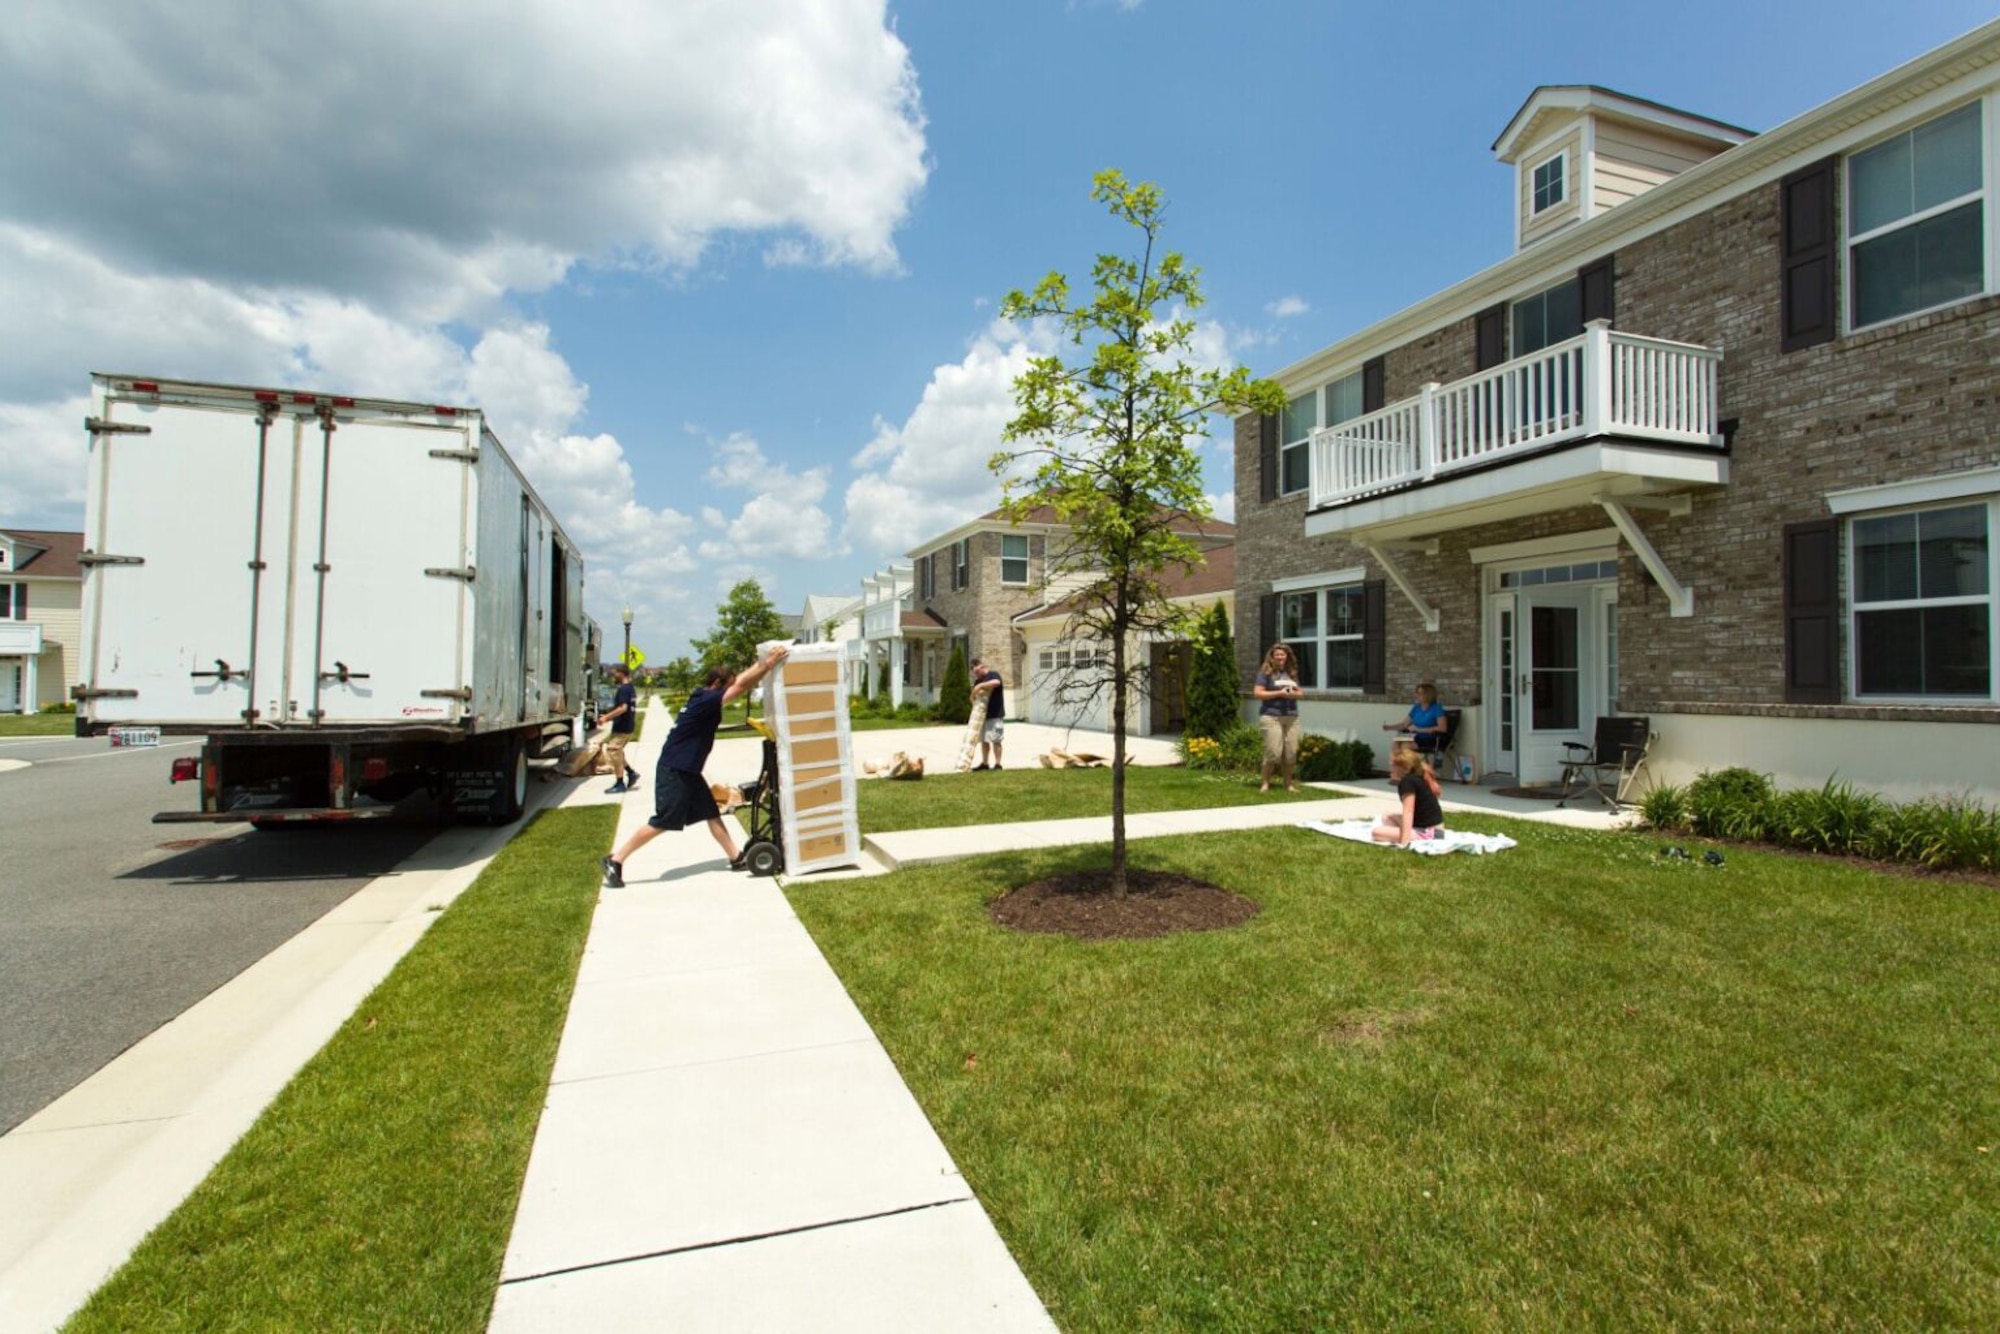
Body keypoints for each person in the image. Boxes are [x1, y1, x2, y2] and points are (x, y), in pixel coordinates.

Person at [599, 643, 789, 887]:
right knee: (663, 821)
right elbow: (741, 685)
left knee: (711, 812)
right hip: (676, 769)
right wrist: (768, 664)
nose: (733, 689)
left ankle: (736, 857)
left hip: (687, 769)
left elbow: (740, 680)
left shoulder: (703, 695)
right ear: (719, 685)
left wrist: (761, 661)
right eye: (728, 685)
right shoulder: (708, 699)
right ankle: (615, 860)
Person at [1253, 643, 1305, 794]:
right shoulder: (1265, 673)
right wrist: (1279, 694)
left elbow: (1300, 692)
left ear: (1287, 656)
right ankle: (1265, 784)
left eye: (1283, 654)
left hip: (1291, 717)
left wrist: (1293, 694)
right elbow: (1258, 693)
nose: (1280, 657)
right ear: (1272, 657)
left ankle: (1288, 785)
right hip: (1271, 716)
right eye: (1277, 655)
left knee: (1291, 753)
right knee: (1273, 753)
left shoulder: (1292, 673)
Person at [1373, 740, 1447, 845]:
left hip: (1430, 833)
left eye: (1393, 766)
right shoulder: (1418, 777)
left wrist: (1404, 841)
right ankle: (1405, 834)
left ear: (1402, 768)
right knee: (1387, 817)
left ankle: (1409, 836)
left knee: (1376, 832)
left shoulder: (1407, 782)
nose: (1390, 769)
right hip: (1434, 829)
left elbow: (1408, 811)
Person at [599, 664, 641, 793]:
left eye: (614, 673)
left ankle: (620, 783)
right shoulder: (630, 688)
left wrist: (606, 717)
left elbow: (623, 708)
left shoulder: (623, 689)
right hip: (627, 726)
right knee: (618, 752)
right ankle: (631, 773)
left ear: (622, 673)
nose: (612, 676)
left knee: (613, 751)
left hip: (622, 727)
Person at [1383, 681, 1448, 756]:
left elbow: (1442, 728)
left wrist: (1418, 729)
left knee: (1405, 747)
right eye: (1417, 693)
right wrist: (1389, 727)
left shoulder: (1437, 709)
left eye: (1420, 693)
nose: (1417, 695)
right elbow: (1404, 724)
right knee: (1396, 743)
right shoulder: (1417, 707)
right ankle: (1401, 766)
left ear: (1428, 695)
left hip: (1429, 738)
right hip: (1414, 736)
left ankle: (1409, 766)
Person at [969, 656, 1006, 771]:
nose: (976, 675)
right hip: (982, 715)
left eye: (977, 672)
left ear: (982, 667)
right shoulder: (977, 680)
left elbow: (996, 682)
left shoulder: (993, 674)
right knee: (984, 741)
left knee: (996, 740)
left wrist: (980, 686)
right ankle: (985, 763)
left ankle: (998, 764)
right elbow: (974, 695)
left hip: (995, 714)